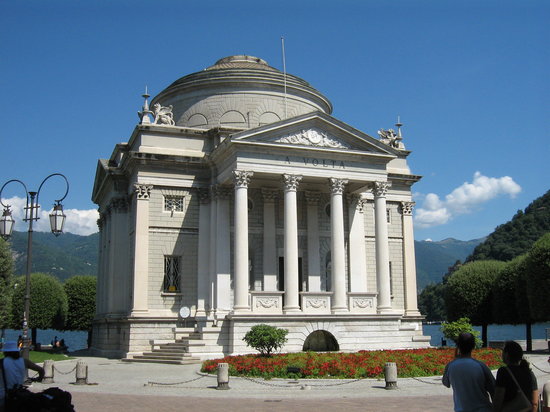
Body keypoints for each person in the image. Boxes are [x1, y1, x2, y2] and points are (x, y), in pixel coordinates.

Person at [442, 332, 495, 412]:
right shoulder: (481, 366)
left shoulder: (450, 366)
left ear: (458, 345)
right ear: (473, 346)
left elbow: (446, 383)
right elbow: (493, 389)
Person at [492, 341, 538, 412]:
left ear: (507, 355)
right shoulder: (529, 373)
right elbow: (535, 402)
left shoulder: (503, 372)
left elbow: (498, 399)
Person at [0, 340, 45, 411]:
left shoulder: (2, 362)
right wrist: (39, 379)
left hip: (4, 396)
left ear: (5, 352)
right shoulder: (24, 361)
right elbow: (41, 370)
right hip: (20, 394)